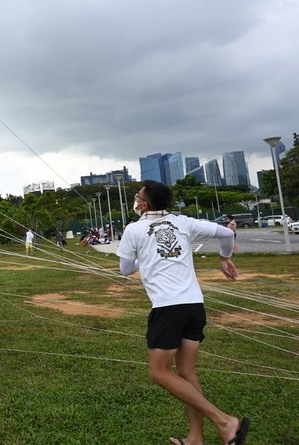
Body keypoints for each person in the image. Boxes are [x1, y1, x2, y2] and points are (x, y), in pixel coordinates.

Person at [116, 180, 249, 445]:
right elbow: (226, 234)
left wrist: (148, 253)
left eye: (138, 197)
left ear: (144, 204)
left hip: (168, 309)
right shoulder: (183, 222)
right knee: (186, 373)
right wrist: (224, 259)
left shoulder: (134, 229)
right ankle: (195, 438)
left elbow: (125, 269)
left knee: (159, 372)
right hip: (194, 306)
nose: (136, 200)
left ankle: (225, 422)